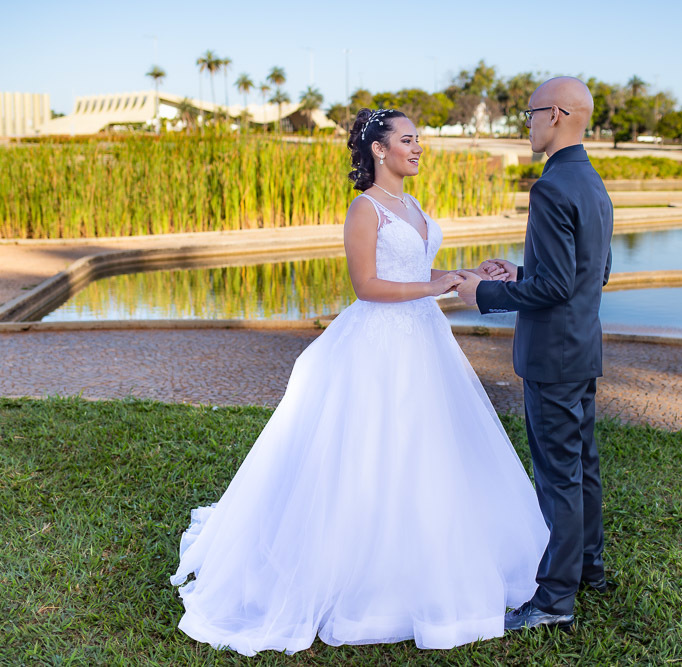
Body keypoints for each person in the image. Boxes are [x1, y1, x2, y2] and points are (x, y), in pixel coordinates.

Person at [170, 108, 548, 656]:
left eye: (420, 139)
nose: (418, 148)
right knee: (373, 449)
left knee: (432, 449)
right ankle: (364, 575)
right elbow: (369, 286)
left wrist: (469, 275)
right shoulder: (364, 208)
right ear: (378, 149)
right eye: (408, 139)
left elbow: (421, 276)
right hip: (379, 344)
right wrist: (439, 283)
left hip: (425, 339)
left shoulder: (413, 205)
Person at [456, 77, 614, 632]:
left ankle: (553, 601)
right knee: (582, 466)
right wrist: (521, 272)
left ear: (556, 115)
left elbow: (555, 288)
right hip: (582, 347)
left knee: (558, 478)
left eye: (528, 114)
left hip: (553, 356)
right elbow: (591, 274)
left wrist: (486, 294)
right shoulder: (591, 182)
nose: (525, 123)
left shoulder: (551, 187)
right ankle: (590, 568)